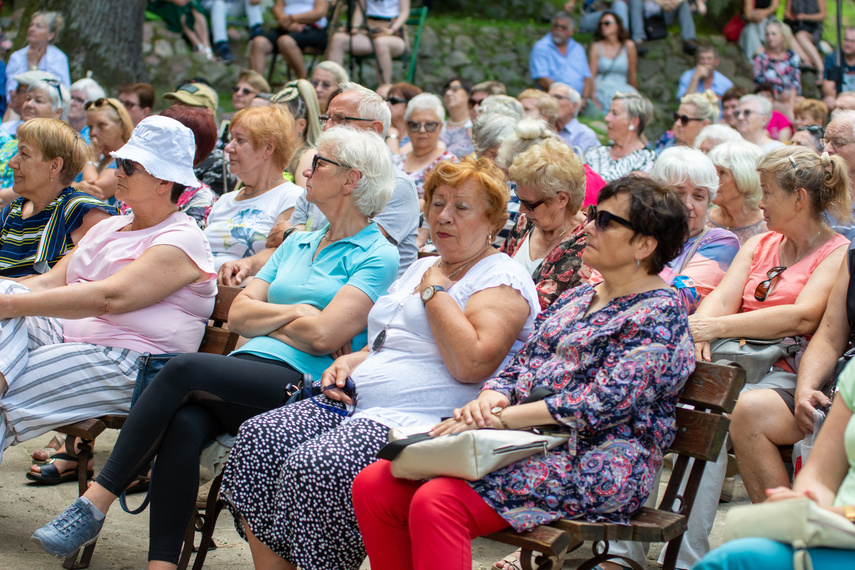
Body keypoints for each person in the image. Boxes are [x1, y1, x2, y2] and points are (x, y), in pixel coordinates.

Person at [31, 126, 400, 564]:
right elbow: (240, 314)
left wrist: (282, 322)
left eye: (319, 163)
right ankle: (161, 564)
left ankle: (94, 503)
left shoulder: (377, 253)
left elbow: (325, 337)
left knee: (183, 369)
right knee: (185, 423)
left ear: (351, 180)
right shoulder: (299, 240)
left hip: (303, 387)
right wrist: (298, 314)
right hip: (243, 370)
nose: (306, 171)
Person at [352, 175, 696, 570]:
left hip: (596, 461)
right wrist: (490, 398)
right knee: (376, 484)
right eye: (593, 216)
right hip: (526, 442)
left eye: (605, 221)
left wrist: (500, 418)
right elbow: (520, 365)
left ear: (645, 245)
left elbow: (598, 404)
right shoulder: (580, 296)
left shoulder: (659, 313)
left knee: (439, 501)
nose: (587, 226)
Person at [220, 155, 540, 570]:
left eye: (461, 207)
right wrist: (353, 361)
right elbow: (393, 342)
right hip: (356, 401)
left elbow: (472, 365)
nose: (444, 216)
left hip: (420, 420)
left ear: (493, 219)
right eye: (437, 203)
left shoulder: (501, 278)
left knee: (315, 466)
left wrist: (435, 294)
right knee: (258, 440)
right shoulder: (425, 266)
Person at [0, 115, 216, 476]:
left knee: (11, 386)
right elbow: (49, 283)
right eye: (118, 162)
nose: (117, 171)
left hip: (131, 361)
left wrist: (9, 304)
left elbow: (109, 298)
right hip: (73, 339)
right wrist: (7, 296)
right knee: (8, 287)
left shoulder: (183, 238)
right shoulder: (113, 225)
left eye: (129, 166)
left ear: (164, 181)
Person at [680, 145, 852, 568]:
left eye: (768, 192)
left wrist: (714, 328)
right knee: (685, 402)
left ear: (799, 199)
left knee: (732, 409)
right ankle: (674, 551)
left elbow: (802, 316)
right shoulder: (759, 243)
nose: (760, 203)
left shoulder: (836, 251)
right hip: (736, 363)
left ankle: (778, 540)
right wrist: (699, 331)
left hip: (784, 370)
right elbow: (719, 299)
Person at [219, 82, 420, 283]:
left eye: (340, 119)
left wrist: (291, 234)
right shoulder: (318, 178)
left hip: (364, 302)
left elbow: (347, 250)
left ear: (374, 129)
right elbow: (281, 248)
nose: (327, 127)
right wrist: (249, 264)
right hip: (309, 289)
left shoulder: (395, 185)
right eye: (327, 118)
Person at [694, 358, 855, 569]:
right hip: (839, 534)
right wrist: (803, 502)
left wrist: (841, 515)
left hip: (843, 524)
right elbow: (820, 474)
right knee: (730, 559)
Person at [0, 119, 115, 278]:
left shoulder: (82, 214)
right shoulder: (12, 212)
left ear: (54, 166)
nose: (12, 163)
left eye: (24, 154)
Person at [204, 106, 302, 270]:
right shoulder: (224, 200)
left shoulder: (290, 196)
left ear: (268, 148)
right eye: (230, 139)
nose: (228, 148)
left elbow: (283, 253)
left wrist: (246, 265)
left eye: (240, 140)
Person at [501, 138, 590, 309]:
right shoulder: (526, 222)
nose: (521, 210)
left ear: (562, 199)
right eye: (519, 199)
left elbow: (539, 305)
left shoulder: (586, 242)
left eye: (528, 203)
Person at [654, 146, 740, 314]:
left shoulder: (722, 242)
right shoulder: (637, 232)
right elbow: (596, 286)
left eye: (698, 196)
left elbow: (679, 302)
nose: (688, 205)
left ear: (709, 201)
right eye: (678, 193)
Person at [0, 78, 71, 201]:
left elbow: (42, 186)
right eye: (28, 99)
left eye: (38, 101)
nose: (29, 104)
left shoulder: (61, 147)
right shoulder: (10, 143)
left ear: (57, 112)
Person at [327, 0, 409, 86]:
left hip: (393, 34)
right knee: (338, 39)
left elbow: (405, 12)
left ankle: (385, 88)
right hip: (368, 30)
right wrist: (354, 28)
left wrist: (392, 30)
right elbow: (360, 10)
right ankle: (333, 86)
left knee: (381, 43)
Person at [393, 93, 457, 200]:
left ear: (440, 127)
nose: (422, 130)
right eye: (415, 125)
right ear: (407, 127)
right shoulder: (395, 160)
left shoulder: (448, 163)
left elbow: (441, 200)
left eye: (429, 125)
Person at [584, 91, 657, 181]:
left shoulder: (647, 160)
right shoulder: (595, 153)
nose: (606, 118)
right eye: (608, 112)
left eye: (615, 113)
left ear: (633, 122)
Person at [251, 0, 330, 80]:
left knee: (285, 41)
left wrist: (292, 18)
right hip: (285, 26)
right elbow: (277, 8)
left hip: (314, 28)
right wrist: (288, 23)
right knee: (259, 42)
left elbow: (319, 12)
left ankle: (304, 81)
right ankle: (255, 85)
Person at [707, 140, 767, 244]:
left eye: (722, 173)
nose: (714, 179)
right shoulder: (701, 221)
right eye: (712, 172)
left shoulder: (767, 229)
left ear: (745, 177)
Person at [75, 98, 134, 204]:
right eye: (90, 127)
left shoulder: (127, 160)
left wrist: (90, 160)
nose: (93, 133)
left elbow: (95, 192)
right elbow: (62, 185)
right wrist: (78, 188)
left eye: (101, 125)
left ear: (121, 125)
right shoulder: (100, 158)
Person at [4, 12, 70, 107]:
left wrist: (33, 67)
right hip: (19, 107)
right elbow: (10, 94)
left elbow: (62, 92)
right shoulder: (17, 56)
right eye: (31, 25)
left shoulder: (58, 58)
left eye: (38, 26)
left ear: (50, 35)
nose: (31, 29)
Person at [529, 12, 593, 102]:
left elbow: (587, 77)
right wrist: (566, 97)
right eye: (556, 26)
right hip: (552, 98)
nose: (558, 29)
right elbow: (542, 79)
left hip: (579, 99)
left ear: (572, 31)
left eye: (563, 28)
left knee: (598, 113)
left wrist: (584, 98)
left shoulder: (578, 48)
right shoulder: (541, 47)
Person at [271, 79, 322, 188]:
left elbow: (304, 202)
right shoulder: (269, 152)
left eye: (280, 120)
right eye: (269, 117)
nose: (271, 124)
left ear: (301, 125)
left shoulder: (307, 156)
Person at [588, 11, 637, 114]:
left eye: (607, 23)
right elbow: (591, 75)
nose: (603, 26)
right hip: (602, 87)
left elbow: (632, 73)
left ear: (617, 26)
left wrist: (635, 93)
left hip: (622, 86)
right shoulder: (596, 47)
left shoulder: (629, 46)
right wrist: (593, 97)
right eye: (601, 24)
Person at [628, 0, 700, 55]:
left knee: (683, 3)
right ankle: (638, 40)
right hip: (645, 14)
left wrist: (674, 3)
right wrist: (661, 2)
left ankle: (689, 39)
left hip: (664, 13)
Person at [147, 0, 214, 60]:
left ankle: (206, 46)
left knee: (195, 6)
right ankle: (197, 45)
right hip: (163, 4)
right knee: (181, 9)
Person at [754, 21, 802, 97]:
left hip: (790, 97)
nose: (770, 38)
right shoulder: (761, 58)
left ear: (783, 36)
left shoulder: (793, 56)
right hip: (770, 97)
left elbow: (795, 82)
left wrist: (789, 103)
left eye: (774, 34)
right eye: (767, 34)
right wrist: (777, 96)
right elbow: (759, 84)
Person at [548, 83, 599, 154]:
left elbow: (578, 164)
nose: (550, 101)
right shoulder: (543, 129)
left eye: (558, 97)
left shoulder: (585, 135)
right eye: (549, 97)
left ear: (574, 106)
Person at [784, 0, 826, 80]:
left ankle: (821, 68)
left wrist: (805, 17)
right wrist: (791, 16)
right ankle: (807, 61)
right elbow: (786, 12)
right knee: (788, 35)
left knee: (801, 36)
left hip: (812, 28)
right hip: (795, 26)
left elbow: (823, 15)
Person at [440, 77, 474, 158]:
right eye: (446, 91)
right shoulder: (438, 126)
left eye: (455, 89)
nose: (448, 93)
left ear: (469, 95)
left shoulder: (475, 126)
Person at [383, 81, 422, 154]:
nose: (387, 104)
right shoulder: (382, 130)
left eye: (393, 101)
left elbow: (395, 161)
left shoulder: (417, 136)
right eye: (387, 100)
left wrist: (392, 134)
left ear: (410, 105)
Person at [822, 26, 855, 111]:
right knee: (829, 101)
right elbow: (828, 89)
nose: (848, 44)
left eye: (852, 41)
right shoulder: (833, 59)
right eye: (846, 40)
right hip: (839, 98)